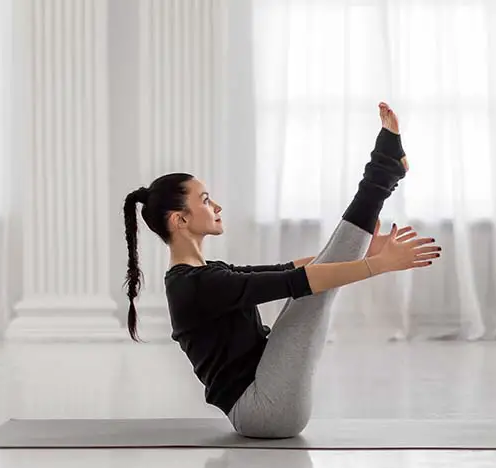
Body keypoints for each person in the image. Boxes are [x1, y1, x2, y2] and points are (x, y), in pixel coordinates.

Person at [123, 103, 441, 439]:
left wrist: (367, 250)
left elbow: (287, 269)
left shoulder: (207, 274)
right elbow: (298, 281)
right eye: (204, 200)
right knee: (311, 292)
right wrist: (378, 265)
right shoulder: (196, 285)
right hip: (264, 410)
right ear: (180, 219)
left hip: (267, 396)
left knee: (313, 283)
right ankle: (382, 175)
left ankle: (385, 173)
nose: (215, 206)